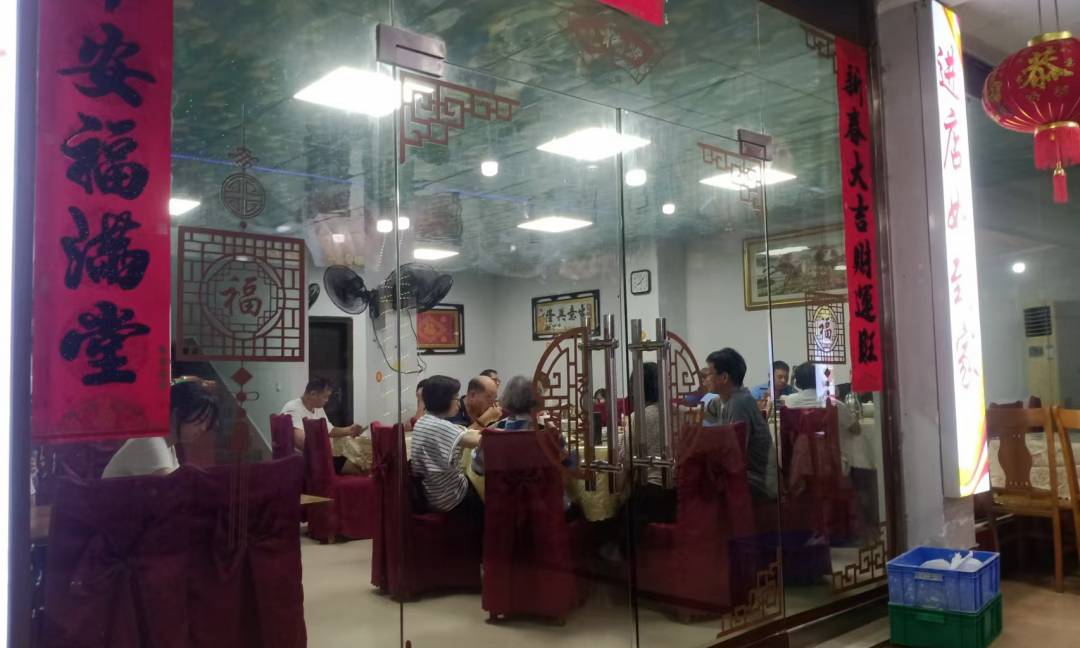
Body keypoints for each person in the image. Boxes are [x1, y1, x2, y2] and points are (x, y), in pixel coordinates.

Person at [786, 362, 877, 538]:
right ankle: (839, 527)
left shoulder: (789, 402)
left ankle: (807, 527)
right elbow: (855, 429)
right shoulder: (833, 404)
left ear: (797, 381)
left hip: (800, 462)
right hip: (829, 461)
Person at [103, 377, 220, 478]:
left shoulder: (167, 445)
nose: (203, 428)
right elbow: (172, 488)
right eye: (200, 420)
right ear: (177, 414)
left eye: (206, 422)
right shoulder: (151, 441)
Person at [703, 349, 777, 501]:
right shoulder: (723, 400)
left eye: (708, 374)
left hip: (758, 481)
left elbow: (734, 454)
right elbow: (698, 413)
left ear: (724, 377)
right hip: (746, 475)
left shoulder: (738, 403)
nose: (705, 379)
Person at [411, 375, 485, 521]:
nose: (459, 403)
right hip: (449, 497)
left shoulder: (424, 421)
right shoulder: (440, 426)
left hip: (431, 492)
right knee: (486, 491)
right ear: (444, 400)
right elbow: (479, 440)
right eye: (456, 397)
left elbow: (466, 432)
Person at [281, 377, 367, 474]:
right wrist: (328, 449)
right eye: (325, 397)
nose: (327, 400)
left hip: (318, 456)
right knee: (354, 467)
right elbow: (302, 442)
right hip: (305, 460)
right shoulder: (292, 408)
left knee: (359, 464)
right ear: (313, 394)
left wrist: (350, 430)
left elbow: (329, 430)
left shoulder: (318, 408)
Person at [630, 362, 675, 523]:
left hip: (651, 493)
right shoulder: (681, 412)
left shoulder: (638, 417)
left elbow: (627, 460)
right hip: (682, 492)